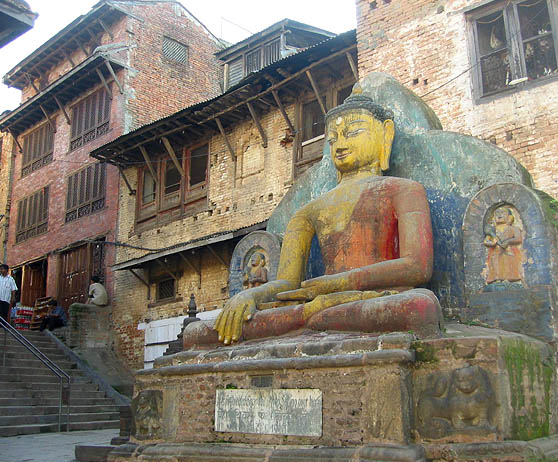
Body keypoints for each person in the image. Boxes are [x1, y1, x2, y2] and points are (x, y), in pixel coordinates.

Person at [185, 87, 442, 348]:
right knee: (197, 332)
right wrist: (249, 296)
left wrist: (336, 284)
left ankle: (313, 319)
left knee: (420, 306)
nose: (340, 145)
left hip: (373, 299)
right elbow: (287, 282)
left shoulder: (404, 189)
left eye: (353, 133)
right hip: (318, 306)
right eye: (332, 139)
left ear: (385, 134)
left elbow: (417, 267)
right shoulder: (310, 210)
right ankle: (314, 319)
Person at [484, 206, 523, 283]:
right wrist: (492, 243)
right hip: (496, 252)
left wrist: (508, 241)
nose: (499, 214)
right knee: (496, 264)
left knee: (508, 264)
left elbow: (518, 238)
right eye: (497, 213)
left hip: (509, 252)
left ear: (509, 217)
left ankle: (509, 280)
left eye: (503, 212)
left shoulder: (513, 228)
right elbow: (486, 241)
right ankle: (497, 279)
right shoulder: (493, 230)